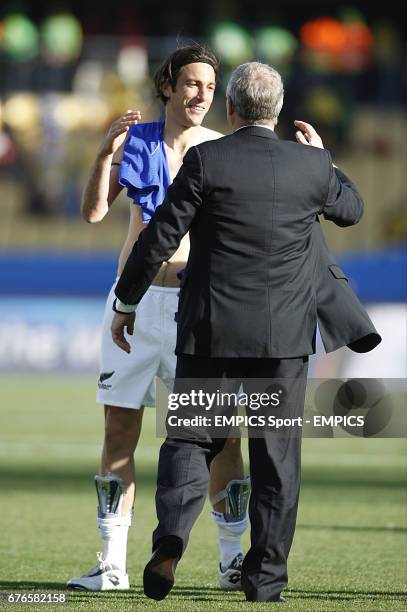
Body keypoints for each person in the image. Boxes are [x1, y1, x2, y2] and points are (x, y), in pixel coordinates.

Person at [110, 62, 380, 603]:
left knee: (190, 440)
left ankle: (169, 544)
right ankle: (265, 581)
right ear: (276, 112)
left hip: (210, 328)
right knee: (277, 458)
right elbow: (351, 210)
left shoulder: (207, 158)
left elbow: (159, 237)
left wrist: (126, 300)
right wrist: (324, 156)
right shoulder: (312, 165)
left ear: (230, 110)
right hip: (285, 337)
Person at [67, 44, 249, 593]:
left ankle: (231, 560)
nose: (202, 96)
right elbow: (95, 213)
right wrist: (103, 157)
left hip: (199, 310)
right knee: (119, 431)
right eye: (192, 84)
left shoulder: (222, 149)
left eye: (211, 88)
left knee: (222, 437)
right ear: (167, 84)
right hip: (135, 306)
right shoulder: (138, 140)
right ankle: (112, 563)